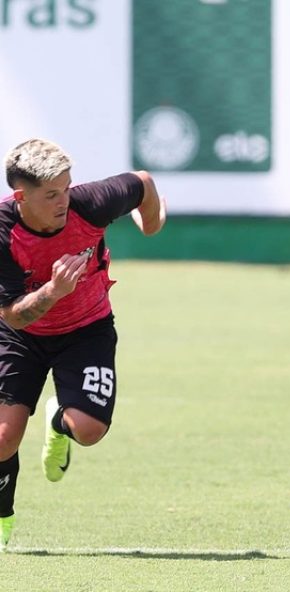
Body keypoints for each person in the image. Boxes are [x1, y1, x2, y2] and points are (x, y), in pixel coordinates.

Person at [0, 138, 166, 552]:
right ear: (21, 197)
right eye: (51, 194)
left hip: (87, 329)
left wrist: (152, 223)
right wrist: (55, 290)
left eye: (67, 187)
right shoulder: (3, 233)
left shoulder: (89, 204)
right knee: (3, 438)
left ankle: (59, 419)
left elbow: (142, 182)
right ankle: (3, 517)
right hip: (21, 335)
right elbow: (13, 315)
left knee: (89, 431)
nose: (63, 200)